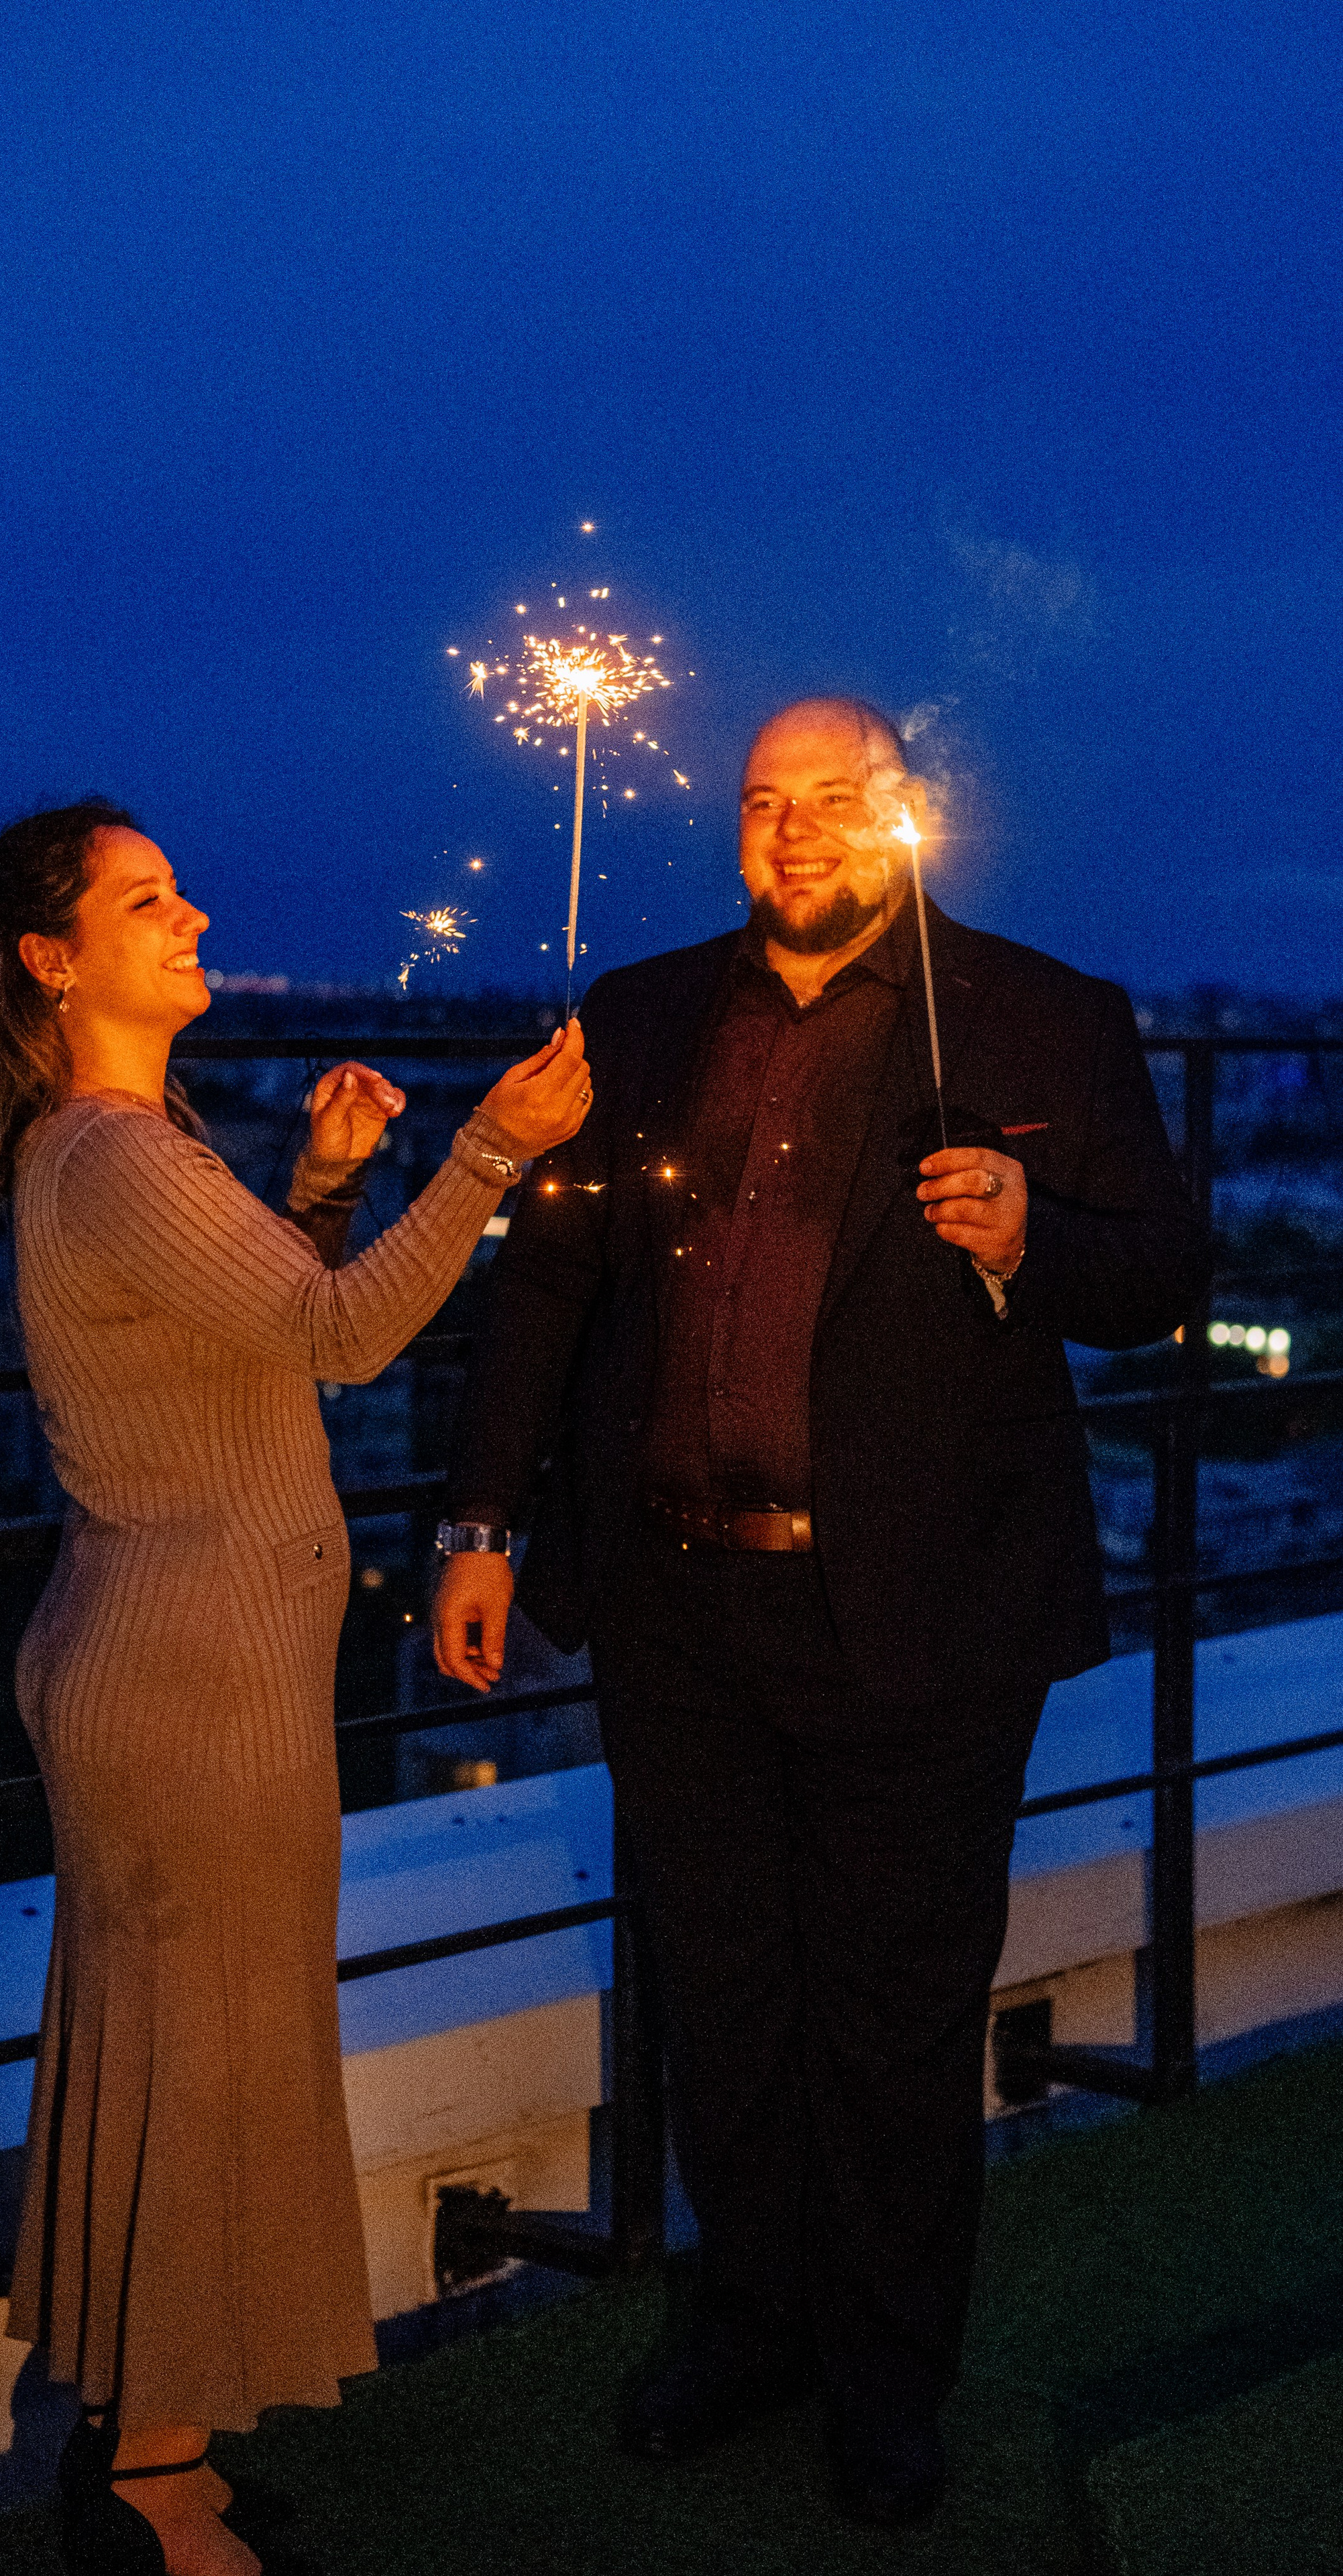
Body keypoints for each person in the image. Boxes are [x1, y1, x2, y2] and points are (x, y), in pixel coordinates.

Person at [431, 699, 1207, 2528]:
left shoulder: (1037, 1015)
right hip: (678, 1601)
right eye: (761, 801)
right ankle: (751, 2327)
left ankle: (885, 2376)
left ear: (902, 815)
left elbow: (1163, 1272)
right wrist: (479, 1520)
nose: (788, 832)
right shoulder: (640, 1015)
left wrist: (1031, 1230)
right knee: (725, 1993)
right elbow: (546, 1285)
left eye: (828, 802)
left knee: (896, 2010)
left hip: (926, 1612)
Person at [0, 801, 590, 2576]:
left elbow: (255, 1322)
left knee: (182, 2062)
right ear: (56, 960)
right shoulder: (118, 1155)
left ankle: (146, 2446)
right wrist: (491, 1155)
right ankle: (142, 2485)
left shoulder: (137, 1143)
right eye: (150, 900)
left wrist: (320, 1190)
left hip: (182, 1657)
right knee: (203, 2073)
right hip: (190, 1679)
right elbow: (341, 1337)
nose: (195, 910)